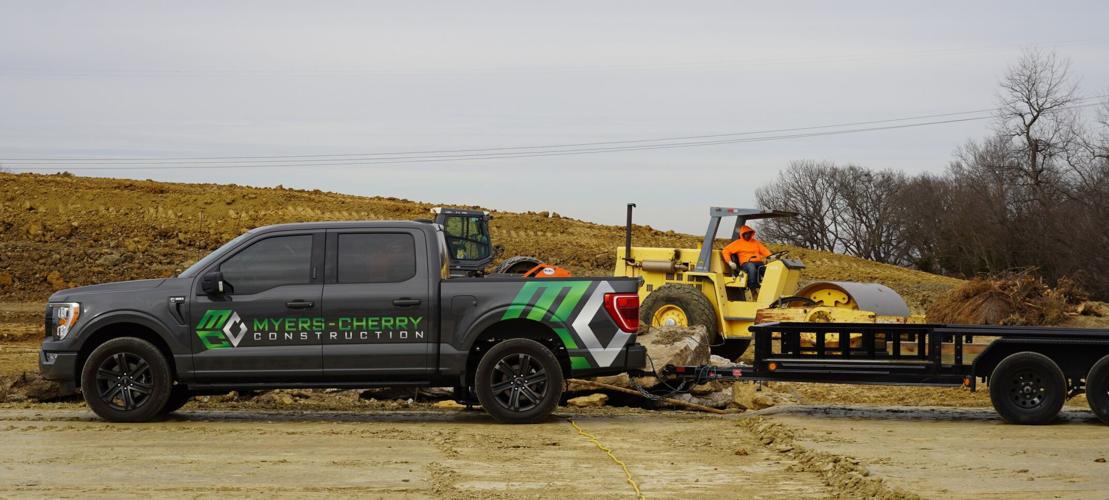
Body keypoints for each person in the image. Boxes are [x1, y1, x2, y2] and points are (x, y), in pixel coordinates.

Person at [721, 225, 771, 292]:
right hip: (746, 264)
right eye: (746, 233)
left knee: (768, 269)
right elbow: (725, 251)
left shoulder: (756, 242)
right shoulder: (738, 243)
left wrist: (770, 256)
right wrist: (730, 262)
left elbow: (764, 251)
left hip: (758, 263)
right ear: (743, 234)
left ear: (751, 234)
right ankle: (751, 287)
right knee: (751, 267)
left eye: (749, 233)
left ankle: (769, 286)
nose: (748, 235)